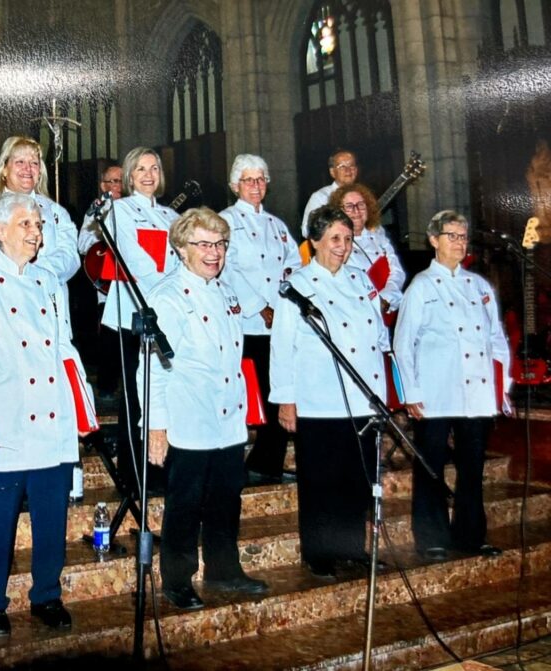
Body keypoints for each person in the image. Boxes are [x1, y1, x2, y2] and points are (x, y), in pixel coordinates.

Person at [0, 192, 93, 637]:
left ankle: (47, 594)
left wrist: (80, 408)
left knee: (53, 513)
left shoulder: (50, 282)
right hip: (3, 415)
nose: (36, 233)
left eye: (39, 226)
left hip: (52, 415)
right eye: (26, 224)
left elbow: (65, 349)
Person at [140, 208, 268, 611]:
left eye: (220, 244)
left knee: (226, 499)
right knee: (185, 505)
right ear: (181, 248)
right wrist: (156, 427)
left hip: (227, 417)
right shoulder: (167, 297)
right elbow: (153, 368)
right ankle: (177, 580)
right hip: (189, 417)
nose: (214, 253)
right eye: (204, 245)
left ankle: (224, 569)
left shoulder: (225, 291)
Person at [0, 136, 80, 516]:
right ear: (4, 167)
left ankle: (36, 475)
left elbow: (70, 258)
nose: (28, 169)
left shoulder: (55, 211)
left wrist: (34, 268)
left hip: (45, 312)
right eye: (19, 161)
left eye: (34, 162)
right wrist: (27, 266)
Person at [269, 206, 390, 579]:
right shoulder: (297, 286)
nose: (343, 246)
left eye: (348, 239)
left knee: (357, 478)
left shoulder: (361, 280)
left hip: (362, 398)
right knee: (321, 480)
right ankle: (319, 551)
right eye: (335, 238)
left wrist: (382, 393)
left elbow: (378, 338)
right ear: (314, 241)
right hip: (318, 399)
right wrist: (286, 399)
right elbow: (282, 347)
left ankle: (351, 548)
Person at [393, 210, 510, 561]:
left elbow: (497, 340)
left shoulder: (479, 286)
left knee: (472, 467)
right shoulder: (421, 286)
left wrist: (502, 387)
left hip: (476, 391)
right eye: (452, 236)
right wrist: (411, 392)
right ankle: (431, 538)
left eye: (463, 236)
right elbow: (403, 343)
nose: (459, 243)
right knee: (430, 465)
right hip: (435, 391)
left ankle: (471, 536)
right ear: (434, 240)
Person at [101, 146, 181, 498]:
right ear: (130, 176)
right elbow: (133, 259)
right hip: (134, 314)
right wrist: (165, 291)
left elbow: (182, 260)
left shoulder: (171, 216)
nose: (148, 175)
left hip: (167, 315)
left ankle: (162, 467)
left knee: (163, 393)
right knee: (136, 395)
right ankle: (134, 475)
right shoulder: (118, 210)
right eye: (141, 169)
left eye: (154, 168)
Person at [218, 154, 301, 486]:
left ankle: (268, 462)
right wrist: (259, 306)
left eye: (260, 179)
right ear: (235, 185)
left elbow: (295, 263)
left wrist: (283, 303)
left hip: (279, 321)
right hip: (247, 322)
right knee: (246, 392)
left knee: (278, 391)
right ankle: (233, 463)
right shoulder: (225, 221)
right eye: (248, 180)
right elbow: (226, 268)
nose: (255, 185)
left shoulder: (276, 225)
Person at [76, 163, 124, 405]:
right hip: (107, 285)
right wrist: (102, 239)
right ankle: (106, 388)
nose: (116, 186)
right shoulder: (96, 209)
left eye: (120, 181)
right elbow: (82, 244)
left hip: (135, 286)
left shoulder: (135, 207)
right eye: (111, 181)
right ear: (102, 185)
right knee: (110, 339)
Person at [329, 183, 406, 320]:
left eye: (361, 205)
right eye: (349, 206)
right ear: (339, 212)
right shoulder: (334, 245)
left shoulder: (380, 237)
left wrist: (385, 298)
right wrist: (375, 302)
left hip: (389, 308)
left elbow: (398, 272)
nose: (356, 211)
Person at [301, 149, 359, 238]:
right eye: (342, 166)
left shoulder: (364, 196)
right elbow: (307, 231)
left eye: (351, 166)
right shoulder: (321, 197)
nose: (348, 170)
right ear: (332, 172)